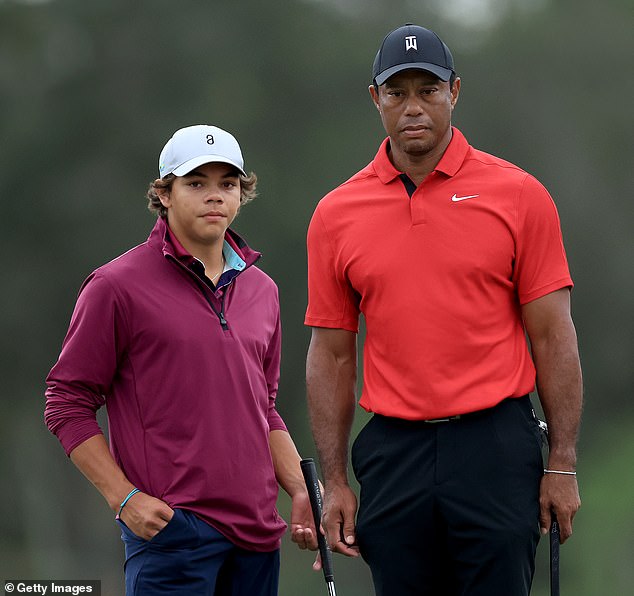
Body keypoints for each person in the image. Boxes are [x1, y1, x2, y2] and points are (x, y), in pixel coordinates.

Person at [305, 23, 583, 595]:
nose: (413, 108)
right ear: (375, 98)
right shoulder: (337, 213)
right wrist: (333, 481)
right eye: (397, 92)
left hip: (496, 447)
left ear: (454, 92)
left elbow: (554, 337)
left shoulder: (519, 195)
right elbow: (331, 356)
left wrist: (562, 462)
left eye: (427, 91)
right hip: (393, 451)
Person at [45, 124, 318, 595]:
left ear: (240, 194)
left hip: (256, 537)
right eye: (196, 183)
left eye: (226, 184)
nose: (214, 196)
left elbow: (263, 406)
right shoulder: (116, 286)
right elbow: (66, 402)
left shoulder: (263, 291)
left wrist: (299, 489)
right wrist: (123, 498)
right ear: (164, 194)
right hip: (173, 534)